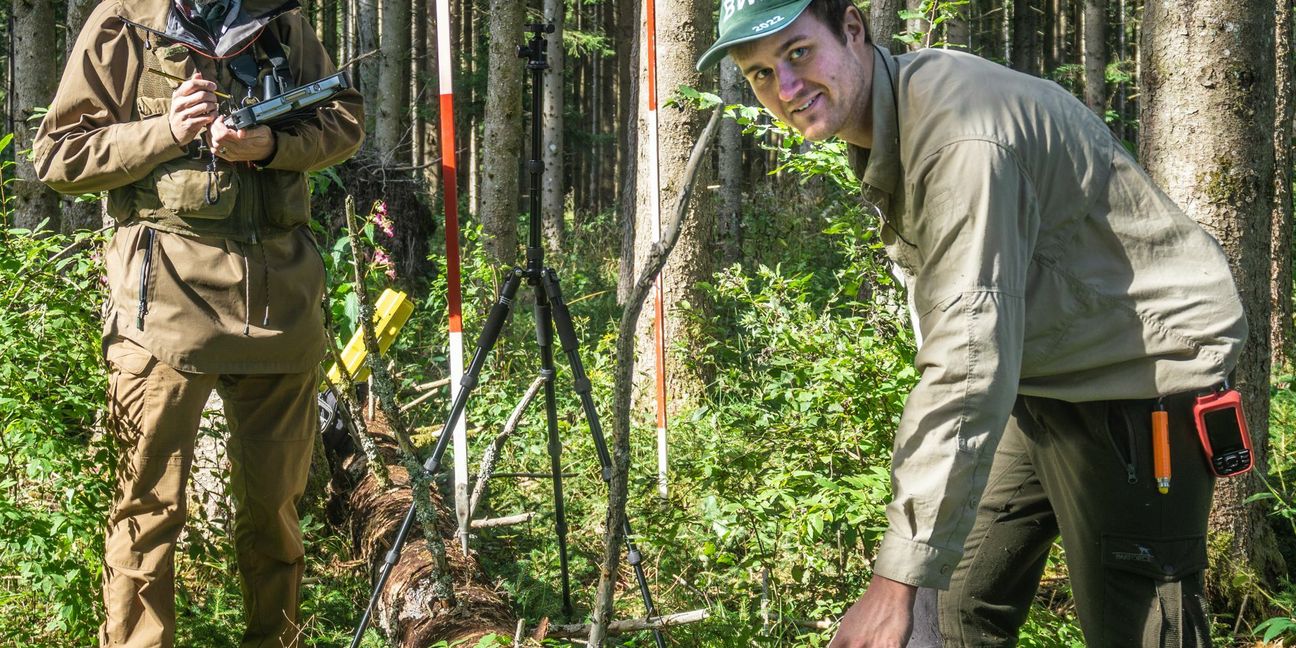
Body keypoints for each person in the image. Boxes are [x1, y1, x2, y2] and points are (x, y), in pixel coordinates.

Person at [697, 0, 1247, 646]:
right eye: (760, 74)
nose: (785, 90)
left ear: (852, 30)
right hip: (1046, 372)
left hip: (1147, 368)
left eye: (796, 54)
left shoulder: (959, 136)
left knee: (1140, 633)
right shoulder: (896, 122)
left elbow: (967, 356)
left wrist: (892, 585)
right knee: (959, 606)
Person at [34, 0, 363, 645]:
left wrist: (273, 146)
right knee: (147, 509)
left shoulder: (281, 21)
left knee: (275, 511)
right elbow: (57, 156)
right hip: (165, 308)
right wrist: (166, 131)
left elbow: (344, 119)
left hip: (281, 302)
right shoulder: (123, 21)